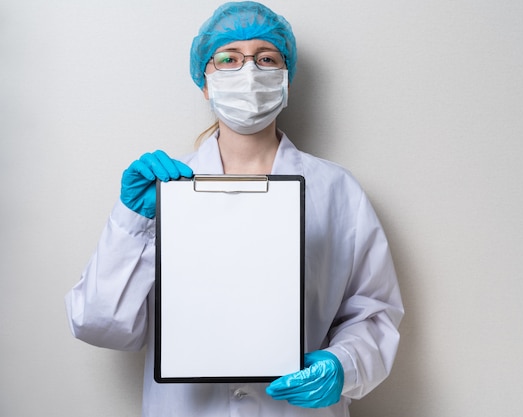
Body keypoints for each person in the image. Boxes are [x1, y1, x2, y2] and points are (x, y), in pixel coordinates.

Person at [65, 2, 404, 416]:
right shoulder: (161, 191)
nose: (248, 72)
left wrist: (344, 364)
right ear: (205, 82)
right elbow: (99, 323)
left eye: (266, 58)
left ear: (286, 79)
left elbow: (373, 312)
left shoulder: (338, 192)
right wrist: (132, 221)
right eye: (228, 59)